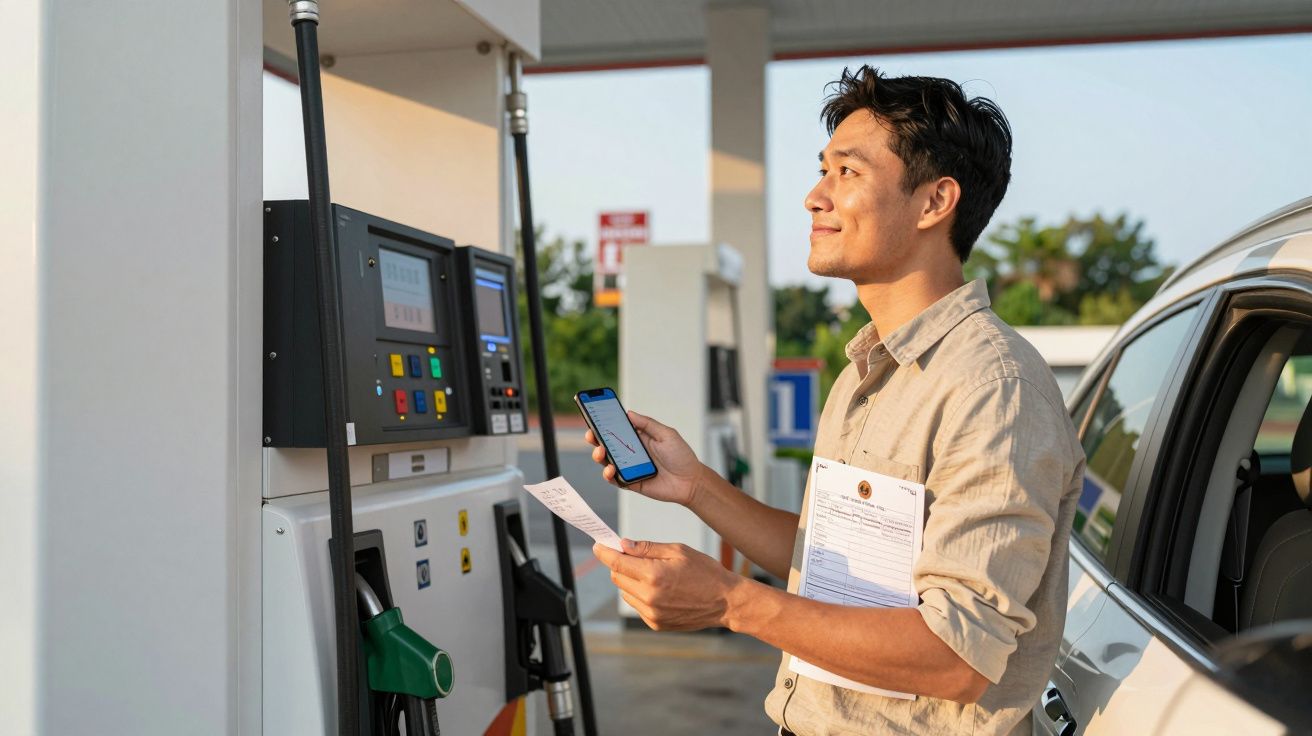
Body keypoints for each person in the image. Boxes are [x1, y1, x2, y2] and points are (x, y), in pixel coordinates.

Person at [588, 65, 1085, 735]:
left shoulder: (995, 389)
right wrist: (696, 486)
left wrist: (732, 602)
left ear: (934, 202)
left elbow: (958, 656)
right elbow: (832, 564)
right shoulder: (865, 371)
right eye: (822, 170)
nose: (814, 197)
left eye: (847, 172)